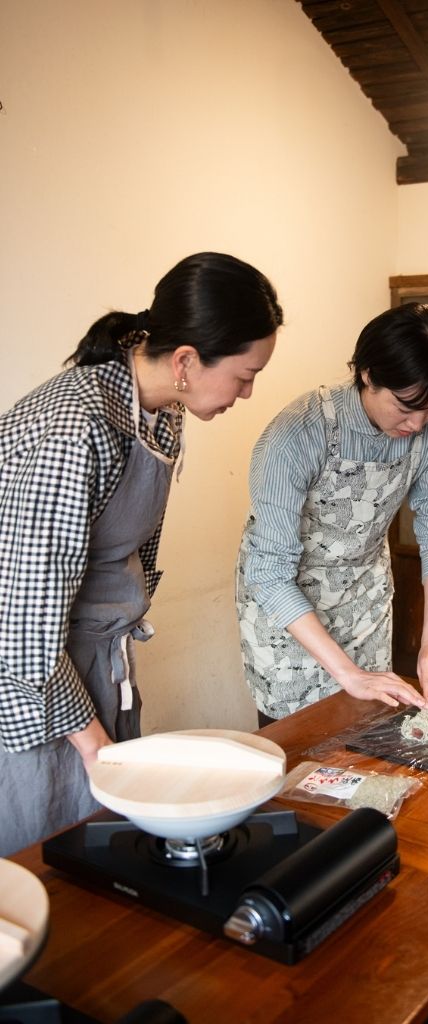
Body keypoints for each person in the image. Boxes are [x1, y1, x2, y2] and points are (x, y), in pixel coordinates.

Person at [0, 252, 283, 857]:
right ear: (185, 361)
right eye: (244, 375)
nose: (248, 392)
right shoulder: (73, 431)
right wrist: (96, 746)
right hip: (28, 681)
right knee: (45, 857)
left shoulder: (161, 413)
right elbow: (24, 634)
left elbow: (135, 554)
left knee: (100, 848)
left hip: (92, 660)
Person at [236, 301, 428, 724]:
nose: (417, 425)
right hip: (288, 613)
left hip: (363, 601)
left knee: (367, 731)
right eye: (405, 407)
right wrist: (348, 673)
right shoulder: (298, 433)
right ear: (368, 374)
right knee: (298, 742)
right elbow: (269, 572)